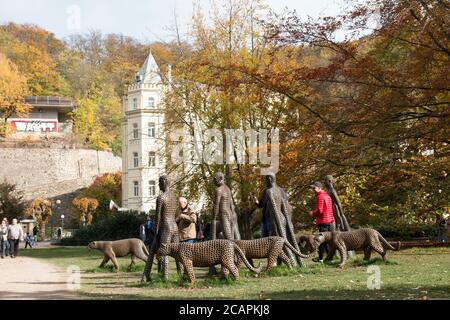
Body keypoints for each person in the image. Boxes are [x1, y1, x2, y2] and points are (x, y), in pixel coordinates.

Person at [309, 181, 335, 263]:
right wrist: (317, 219)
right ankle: (325, 258)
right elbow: (327, 210)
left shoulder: (320, 197)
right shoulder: (327, 196)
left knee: (322, 240)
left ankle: (325, 258)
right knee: (325, 240)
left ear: (320, 188)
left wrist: (312, 213)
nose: (313, 190)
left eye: (314, 188)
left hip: (323, 222)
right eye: (312, 188)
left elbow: (320, 211)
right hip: (329, 221)